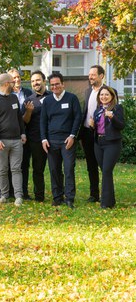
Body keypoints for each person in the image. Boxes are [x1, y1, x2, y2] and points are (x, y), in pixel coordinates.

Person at [40, 72, 82, 208]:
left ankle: (69, 198)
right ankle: (57, 197)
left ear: (63, 84)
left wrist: (72, 135)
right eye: (52, 85)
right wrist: (44, 139)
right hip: (51, 141)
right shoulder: (47, 101)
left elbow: (78, 118)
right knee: (54, 170)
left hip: (67, 140)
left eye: (57, 84)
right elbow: (43, 121)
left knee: (69, 168)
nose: (55, 87)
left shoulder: (72, 98)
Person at [0, 73, 26, 207]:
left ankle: (18, 196)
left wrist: (23, 133)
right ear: (6, 84)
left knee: (16, 169)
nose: (15, 83)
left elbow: (19, 118)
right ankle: (4, 195)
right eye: (12, 81)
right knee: (2, 170)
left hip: (16, 141)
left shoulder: (14, 98)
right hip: (1, 142)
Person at [81, 65, 113, 203]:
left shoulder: (108, 92)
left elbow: (113, 112)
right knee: (91, 165)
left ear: (101, 76)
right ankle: (94, 194)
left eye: (93, 75)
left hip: (101, 134)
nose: (90, 77)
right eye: (89, 75)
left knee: (104, 166)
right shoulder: (88, 91)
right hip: (87, 132)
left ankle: (107, 194)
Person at [89, 87, 124, 209]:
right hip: (99, 143)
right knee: (105, 171)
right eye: (101, 95)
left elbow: (121, 125)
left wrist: (112, 117)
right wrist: (92, 125)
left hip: (112, 143)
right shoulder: (97, 110)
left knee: (107, 171)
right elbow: (97, 128)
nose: (103, 97)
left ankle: (106, 203)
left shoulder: (117, 108)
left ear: (112, 96)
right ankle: (110, 200)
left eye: (106, 95)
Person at [21, 71, 51, 202]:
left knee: (56, 169)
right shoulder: (29, 100)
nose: (35, 83)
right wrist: (28, 111)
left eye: (38, 80)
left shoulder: (52, 97)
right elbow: (25, 121)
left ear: (44, 81)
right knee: (37, 169)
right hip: (35, 139)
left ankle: (59, 194)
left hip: (53, 138)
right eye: (33, 81)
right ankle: (39, 196)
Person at [8, 68, 33, 200]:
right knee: (10, 164)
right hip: (10, 134)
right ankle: (11, 191)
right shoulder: (6, 94)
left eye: (18, 77)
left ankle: (23, 191)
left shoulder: (28, 93)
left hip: (25, 132)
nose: (17, 80)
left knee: (24, 164)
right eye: (14, 78)